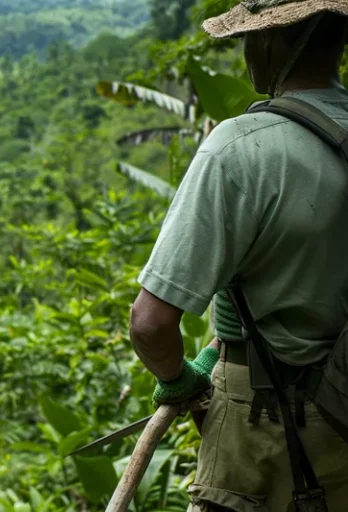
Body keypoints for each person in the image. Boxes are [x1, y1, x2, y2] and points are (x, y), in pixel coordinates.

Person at [128, 2, 348, 511]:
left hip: (266, 433)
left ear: (273, 43)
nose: (245, 50)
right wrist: (218, 346)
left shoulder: (240, 147)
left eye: (249, 37)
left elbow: (151, 323)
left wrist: (177, 379)